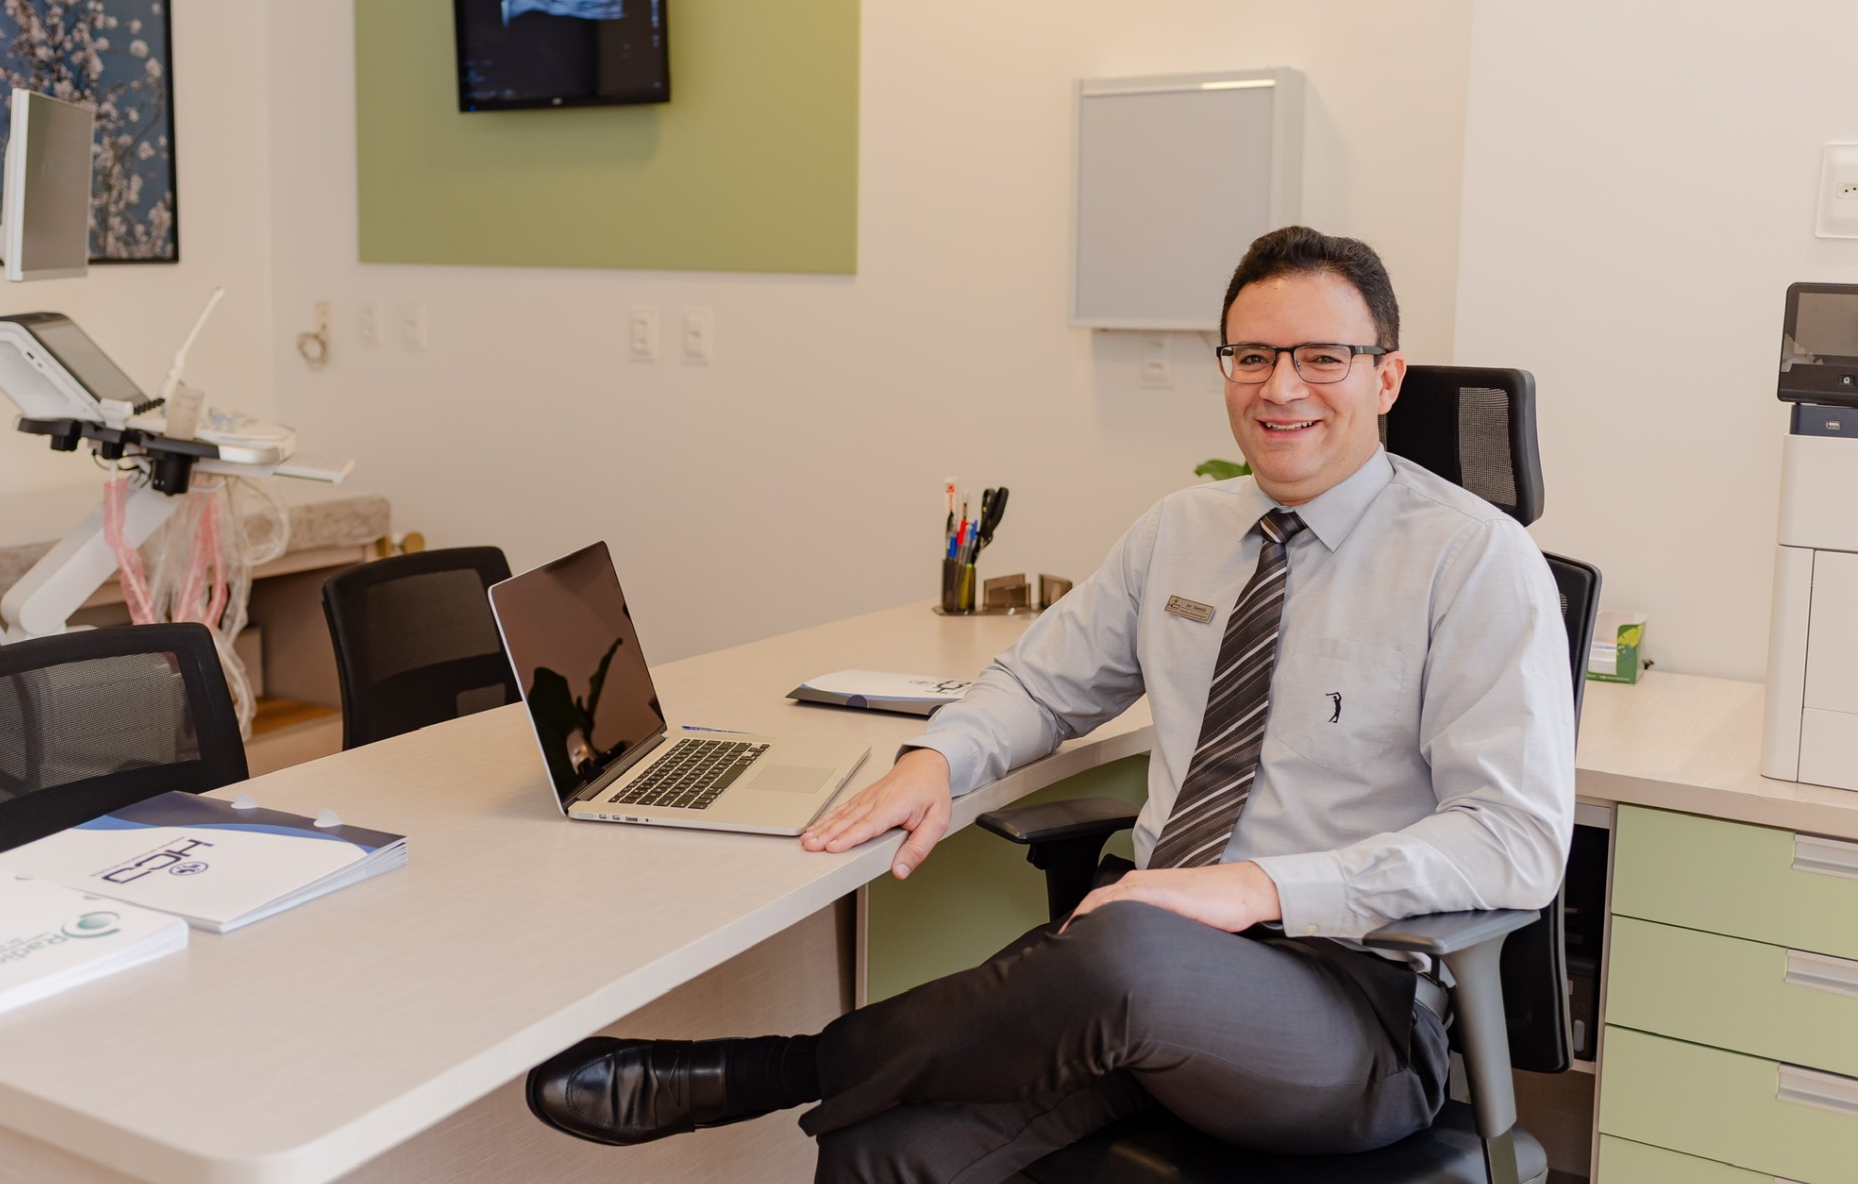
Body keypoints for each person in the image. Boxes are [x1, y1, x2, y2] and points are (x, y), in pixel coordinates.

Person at [525, 226, 1576, 1183]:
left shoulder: (1472, 560)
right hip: (1141, 992)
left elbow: (1514, 839)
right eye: (1250, 355)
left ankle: (762, 1070)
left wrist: (1256, 886)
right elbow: (1040, 680)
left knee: (1125, 945)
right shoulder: (1181, 529)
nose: (1279, 386)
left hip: (1347, 1012)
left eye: (1320, 356)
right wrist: (938, 758)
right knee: (879, 1146)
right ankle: (810, 1078)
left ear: (1384, 375)